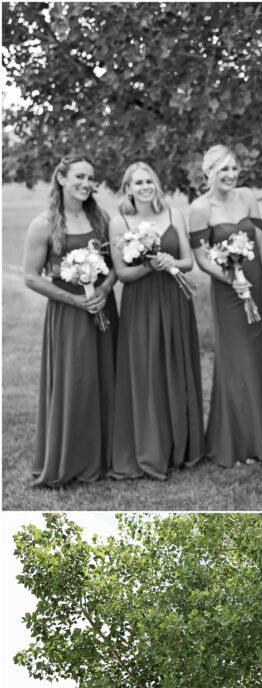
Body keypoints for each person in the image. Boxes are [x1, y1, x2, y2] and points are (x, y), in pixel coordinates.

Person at [23, 153, 118, 487]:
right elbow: (31, 277)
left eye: (91, 178)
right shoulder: (44, 223)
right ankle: (70, 459)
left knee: (105, 379)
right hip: (68, 315)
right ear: (61, 178)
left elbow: (115, 267)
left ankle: (104, 458)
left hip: (104, 310)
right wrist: (77, 300)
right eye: (79, 176)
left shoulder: (102, 218)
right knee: (75, 382)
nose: (86, 184)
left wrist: (104, 290)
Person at [109, 161, 204, 479]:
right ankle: (151, 448)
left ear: (157, 184)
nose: (145, 186)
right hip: (141, 305)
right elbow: (122, 274)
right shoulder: (119, 222)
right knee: (146, 370)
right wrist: (151, 264)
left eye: (149, 181)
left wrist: (170, 260)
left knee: (176, 367)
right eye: (138, 182)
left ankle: (182, 446)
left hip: (176, 302)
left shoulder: (174, 214)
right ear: (128, 189)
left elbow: (188, 263)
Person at [190, 145, 262, 466]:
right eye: (223, 169)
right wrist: (229, 279)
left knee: (261, 360)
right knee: (237, 362)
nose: (230, 175)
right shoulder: (199, 208)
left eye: (234, 169)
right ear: (208, 172)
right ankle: (238, 444)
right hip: (228, 293)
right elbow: (201, 257)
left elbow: (261, 243)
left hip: (258, 284)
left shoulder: (248, 197)